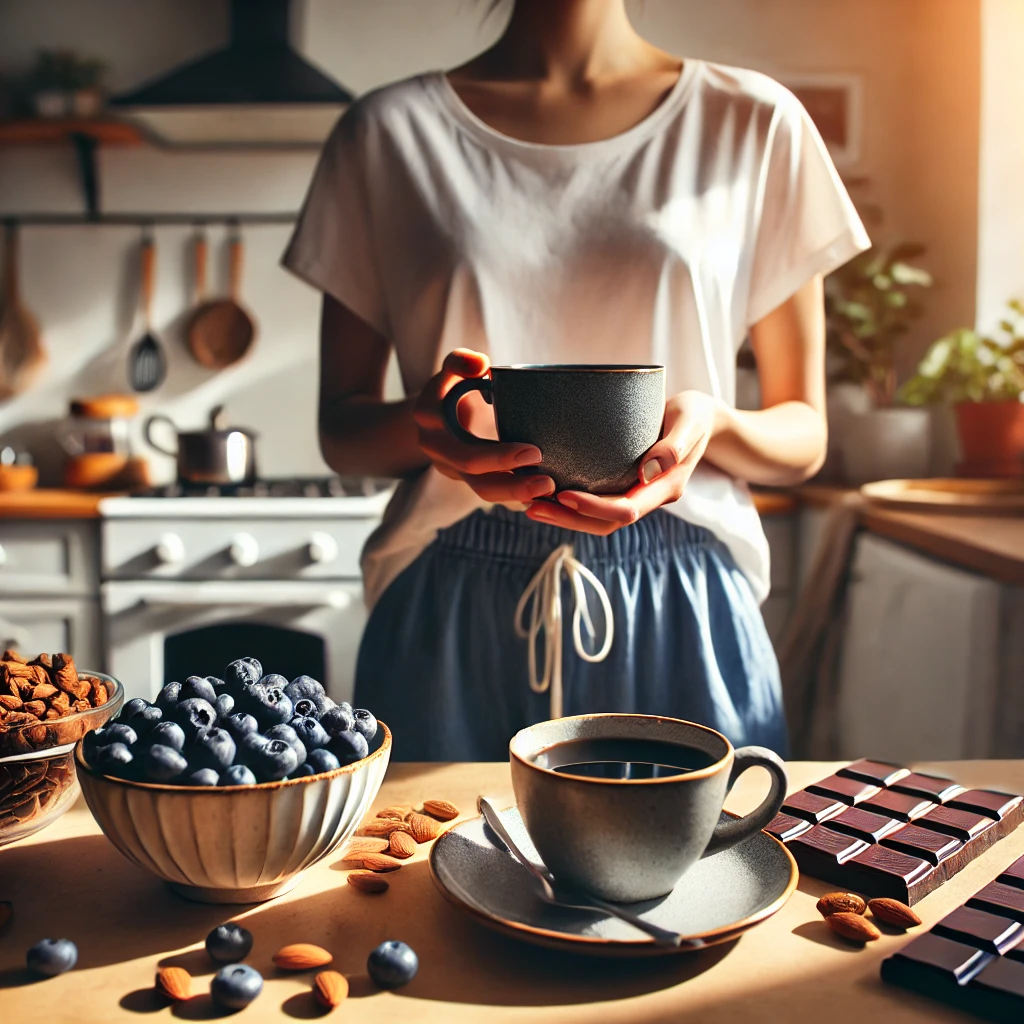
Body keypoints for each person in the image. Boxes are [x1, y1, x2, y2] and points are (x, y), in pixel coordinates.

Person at [282, 0, 869, 761]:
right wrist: (432, 429)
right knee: (424, 870)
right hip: (449, 596)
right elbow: (344, 429)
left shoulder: (755, 122)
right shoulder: (387, 133)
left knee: (715, 867)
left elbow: (805, 433)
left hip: (683, 598)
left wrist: (712, 425)